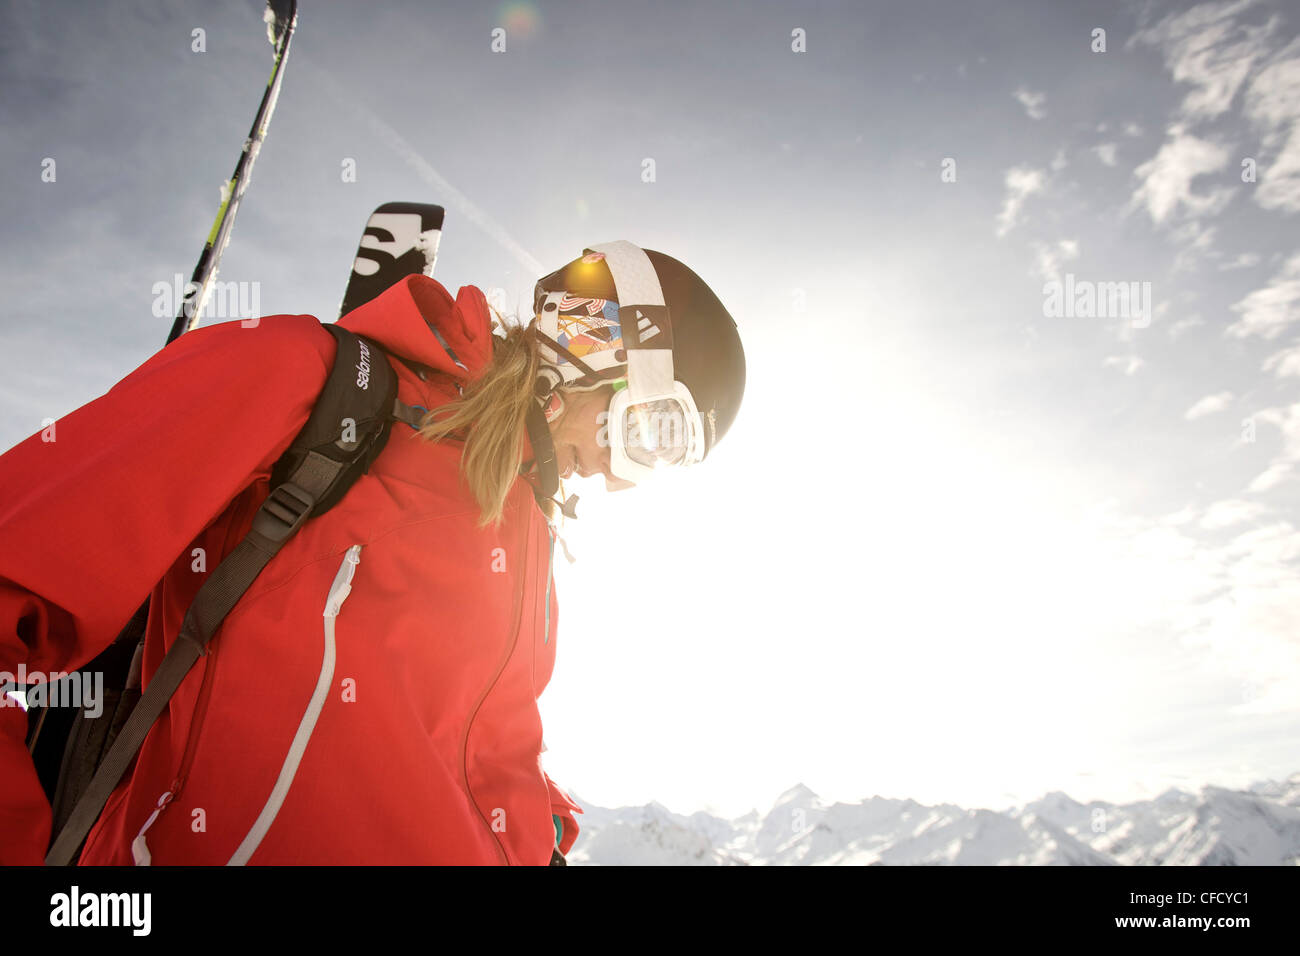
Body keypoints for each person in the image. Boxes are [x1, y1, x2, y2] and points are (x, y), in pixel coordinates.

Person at [0, 240, 745, 865]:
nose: (622, 477)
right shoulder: (307, 381)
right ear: (594, 343)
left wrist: (541, 835)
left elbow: (479, 751)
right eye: (651, 432)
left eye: (661, 461)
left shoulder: (526, 543)